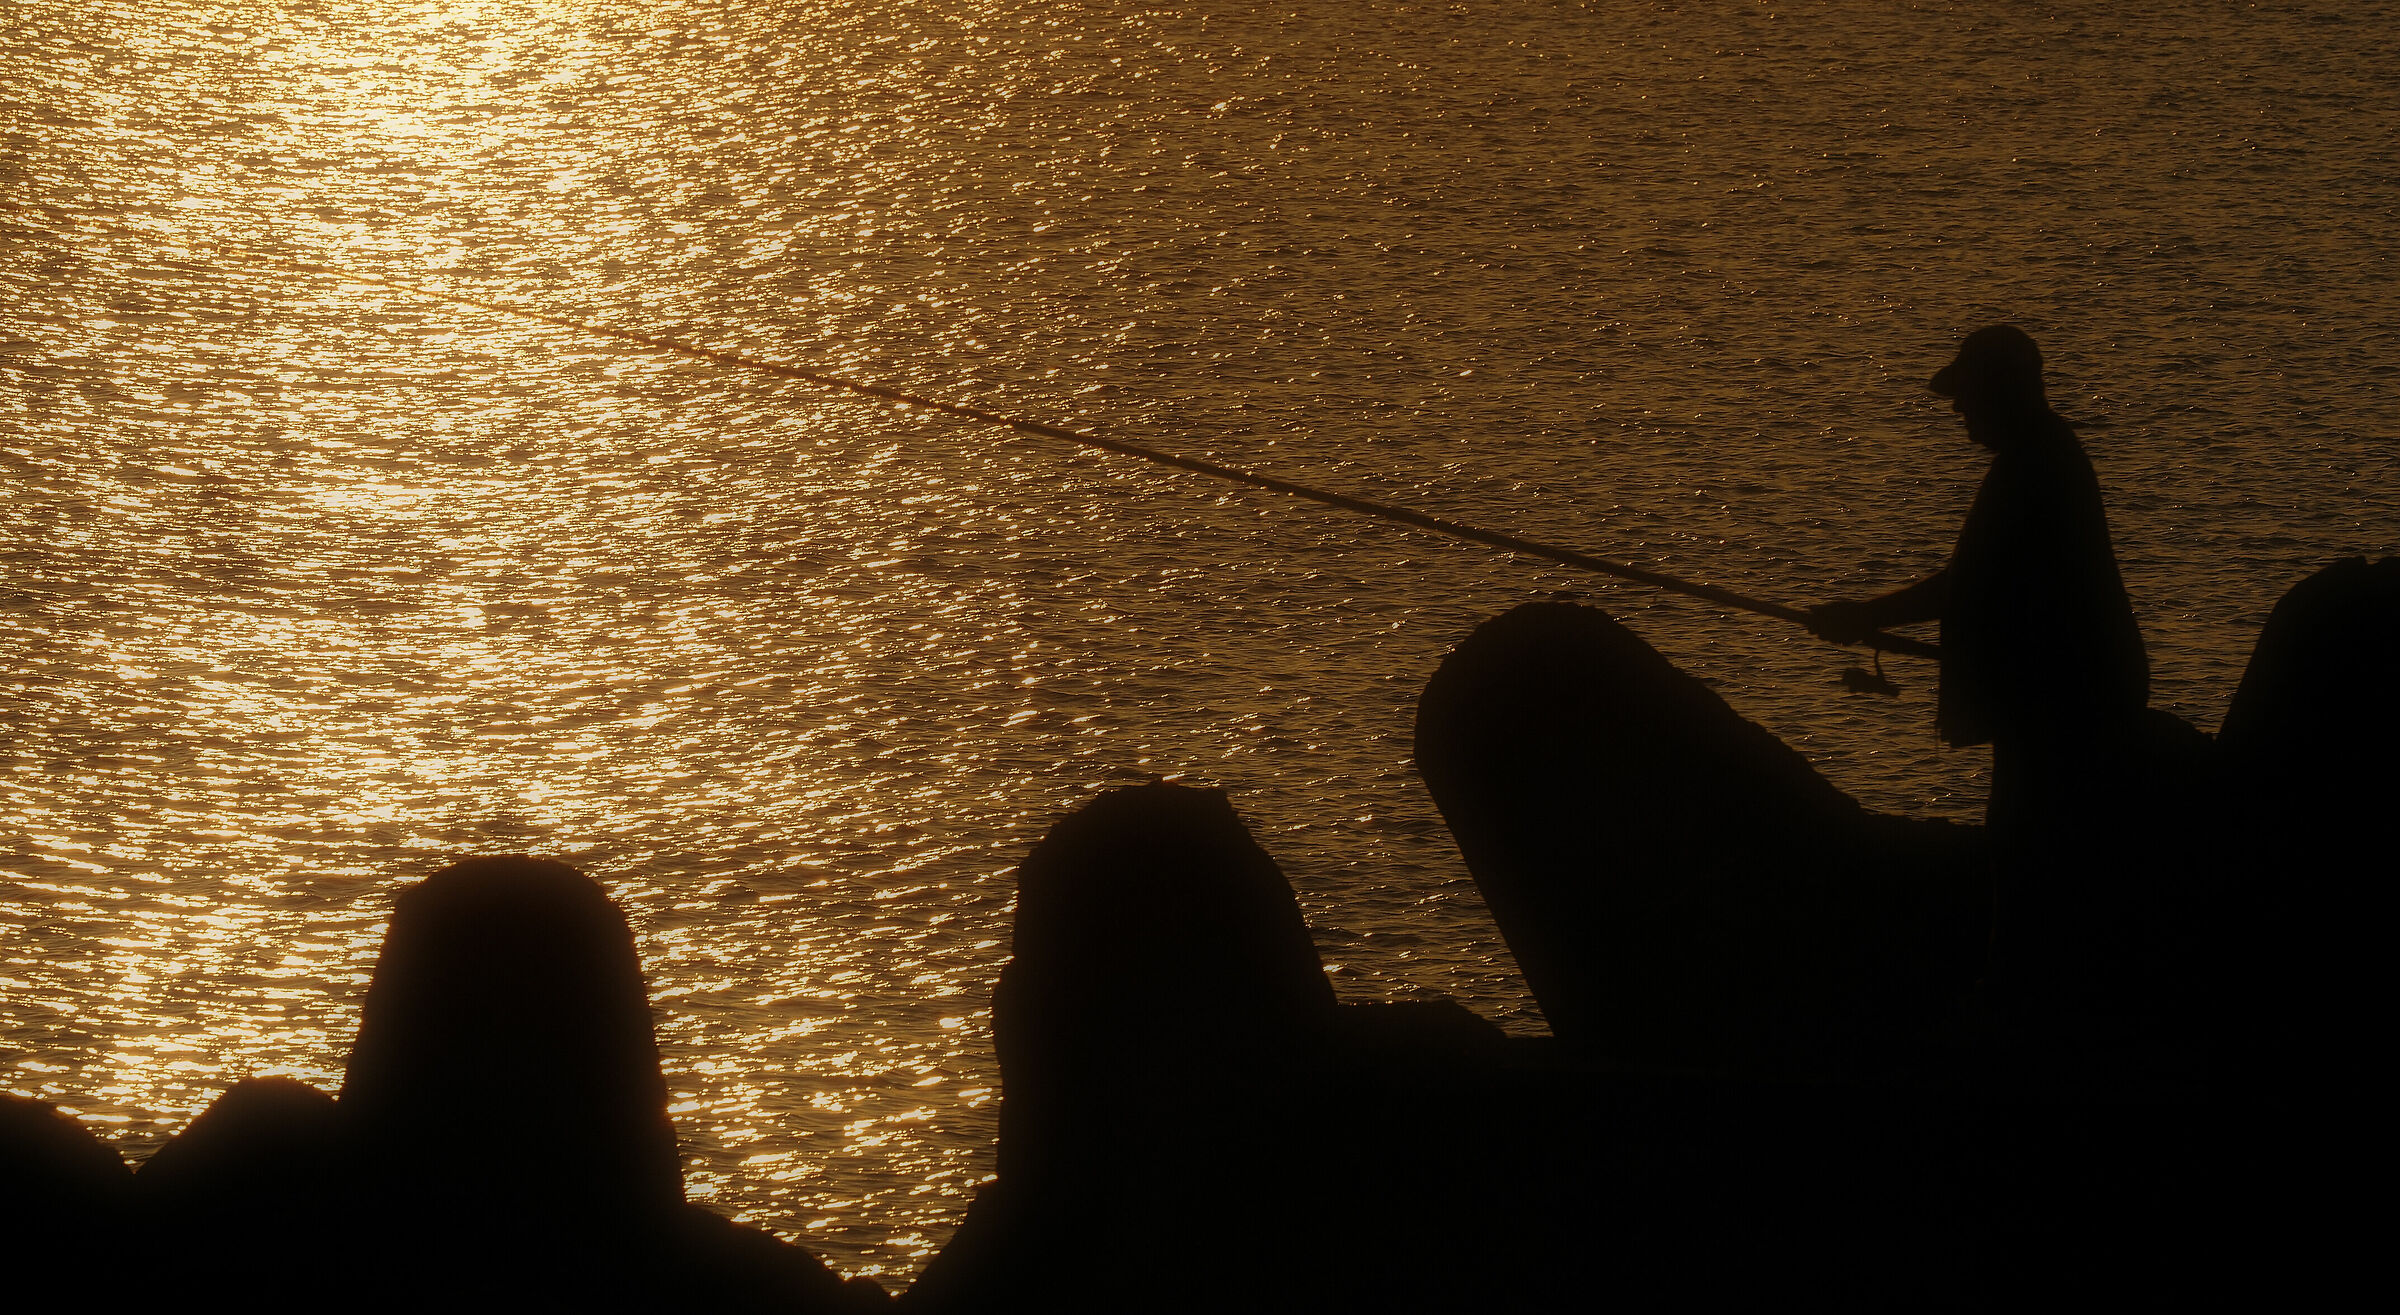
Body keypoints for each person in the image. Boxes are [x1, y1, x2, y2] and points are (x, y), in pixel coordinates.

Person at [1810, 324, 2148, 826]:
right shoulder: (2042, 456)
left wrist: (1865, 616)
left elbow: (1965, 586)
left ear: (1996, 391)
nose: (1957, 408)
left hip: (2065, 705)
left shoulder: (2036, 467)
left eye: (1966, 394)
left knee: (2030, 836)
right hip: (2064, 697)